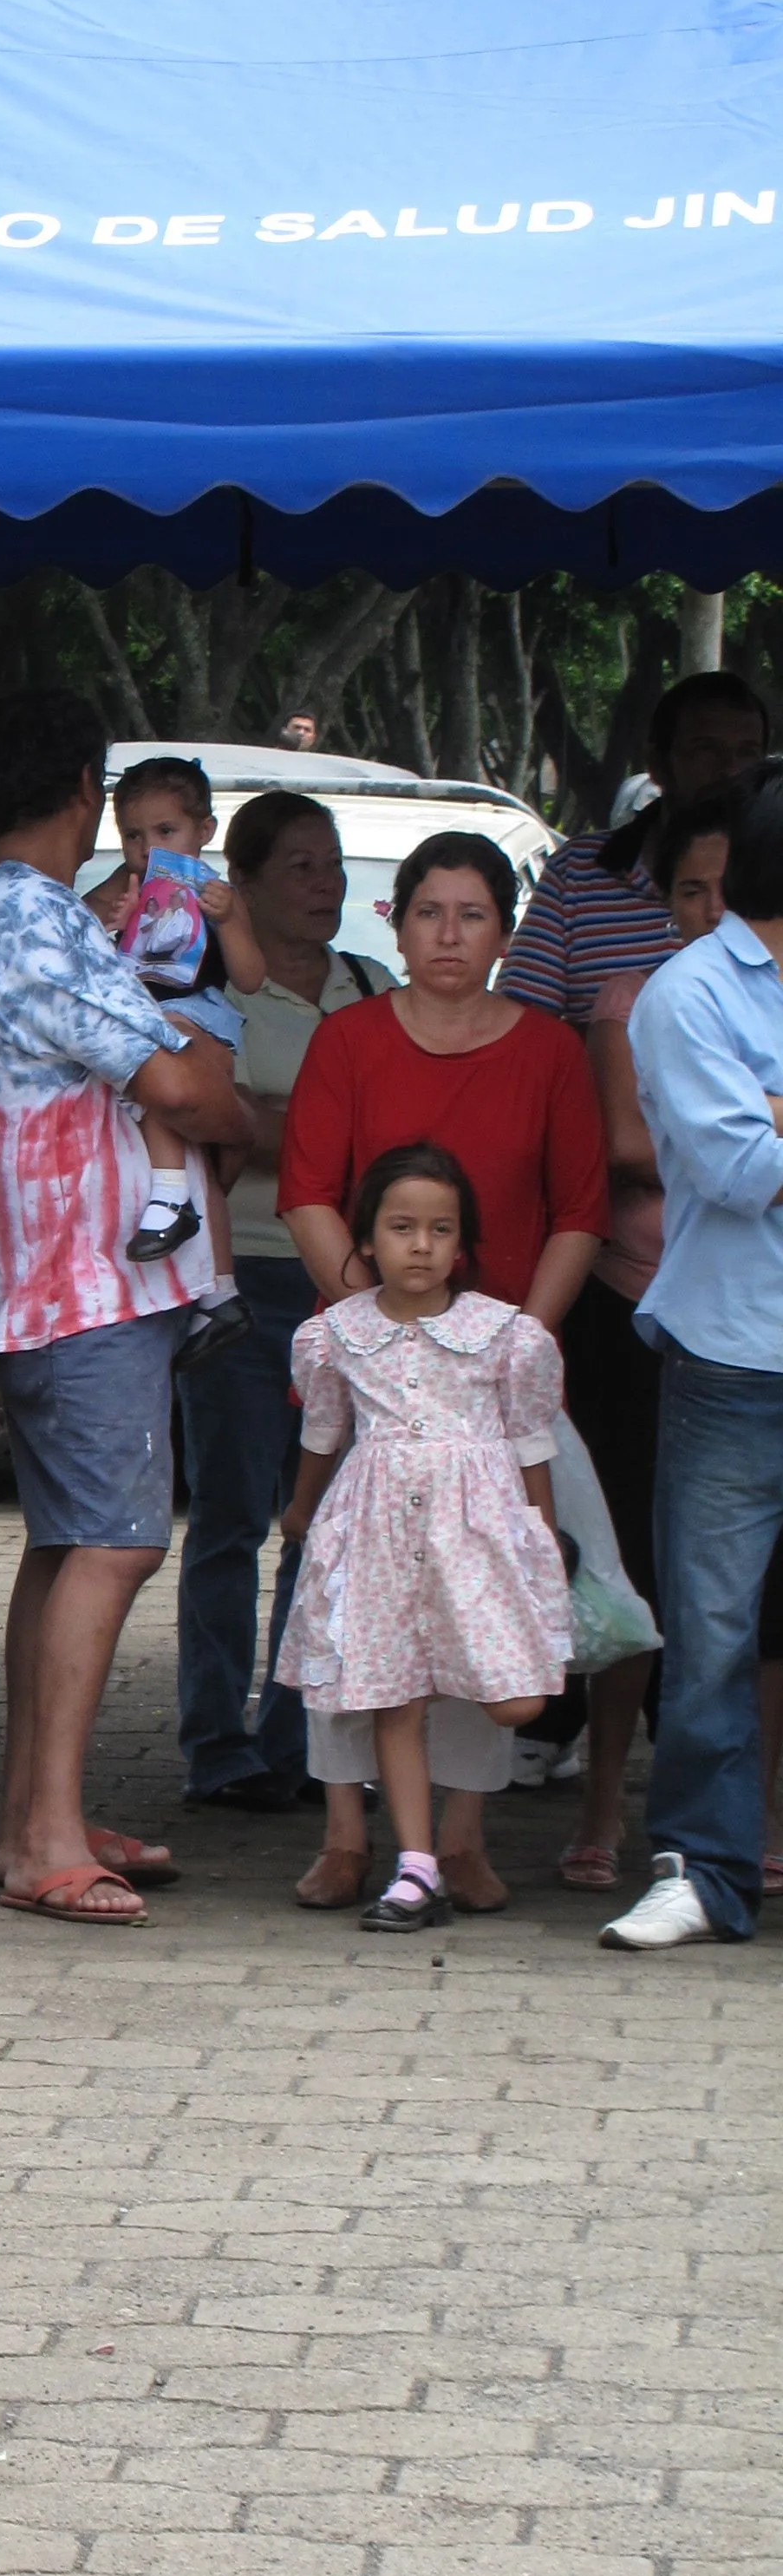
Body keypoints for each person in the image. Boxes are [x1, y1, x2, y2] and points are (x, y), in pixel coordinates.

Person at [0, 687, 249, 1925]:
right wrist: (227, 1098)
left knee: (68, 1544)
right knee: (116, 1541)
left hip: (30, 1278)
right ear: (85, 792)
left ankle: (32, 1817)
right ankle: (48, 1837)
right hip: (83, 1282)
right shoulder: (43, 920)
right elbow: (184, 1087)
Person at [279, 833, 604, 1912]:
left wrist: (506, 1342)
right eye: (429, 912)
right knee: (347, 1614)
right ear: (398, 921)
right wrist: (371, 1311)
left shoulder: (550, 1050)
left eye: (472, 915)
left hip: (490, 1384)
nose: (449, 935)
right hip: (373, 1378)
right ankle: (344, 1835)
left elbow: (580, 1211)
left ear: (506, 933)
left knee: (482, 1609)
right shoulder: (349, 1039)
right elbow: (308, 1191)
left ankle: (461, 1838)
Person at [276, 1146, 571, 1933]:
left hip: (474, 1535)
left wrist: (539, 1535)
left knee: (514, 1698)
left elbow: (531, 1442)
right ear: (367, 1239)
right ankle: (417, 1868)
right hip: (374, 1529)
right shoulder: (336, 1334)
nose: (421, 1245)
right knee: (394, 1696)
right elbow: (323, 1431)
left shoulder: (503, 1334)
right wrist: (301, 1511)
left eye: (441, 1230)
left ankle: (456, 1839)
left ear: (462, 1244)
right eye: (402, 1227)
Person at [603, 757, 783, 1952]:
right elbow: (738, 1168)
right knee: (713, 1637)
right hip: (735, 1354)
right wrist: (762, 1127)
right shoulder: (689, 992)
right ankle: (705, 1871)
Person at [175, 791, 382, 1813]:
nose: (324, 884)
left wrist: (276, 1122)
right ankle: (217, 1742)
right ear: (243, 884)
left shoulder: (370, 989)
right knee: (230, 1516)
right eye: (299, 866)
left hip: (346, 1287)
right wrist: (315, 1128)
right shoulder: (215, 991)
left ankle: (303, 1742)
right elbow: (218, 1123)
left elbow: (378, 1139)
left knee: (330, 1519)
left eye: (332, 864)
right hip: (244, 1275)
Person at [567, 784, 743, 1889]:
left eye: (728, 888)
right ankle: (603, 1806)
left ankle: (752, 1815)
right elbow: (629, 1148)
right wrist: (744, 1134)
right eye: (688, 889)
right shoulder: (636, 998)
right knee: (630, 1563)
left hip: (750, 1320)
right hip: (637, 1302)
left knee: (749, 1595)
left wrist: (726, 1136)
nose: (709, 908)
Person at [501, 670, 769, 1030]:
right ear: (658, 764)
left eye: (747, 753)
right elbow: (520, 1029)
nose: (730, 770)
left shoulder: (774, 877)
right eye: (706, 749)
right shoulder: (577, 871)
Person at [95, 755, 264, 1313]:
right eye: (133, 835)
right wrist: (118, 924)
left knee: (157, 1070)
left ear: (204, 830)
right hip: (146, 1011)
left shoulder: (216, 895)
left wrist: (229, 919)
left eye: (166, 831)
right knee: (199, 1161)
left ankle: (169, 1199)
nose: (148, 848)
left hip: (195, 1015)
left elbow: (250, 978)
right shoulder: (131, 891)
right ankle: (220, 1290)